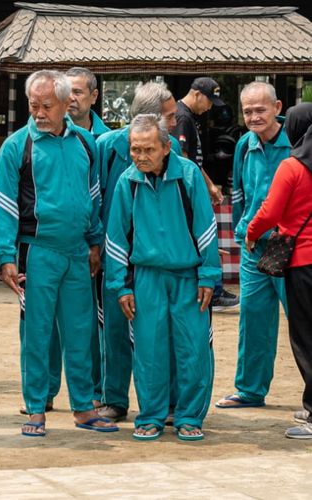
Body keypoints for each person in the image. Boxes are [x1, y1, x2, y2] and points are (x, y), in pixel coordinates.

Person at [0, 69, 117, 437]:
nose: (40, 113)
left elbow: (93, 197)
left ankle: (83, 407)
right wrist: (5, 257)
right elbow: (4, 206)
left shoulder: (85, 143)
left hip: (77, 252)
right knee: (36, 332)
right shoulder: (17, 146)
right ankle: (35, 408)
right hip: (37, 252)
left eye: (47, 105)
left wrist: (95, 242)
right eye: (34, 106)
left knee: (81, 331)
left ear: (68, 104)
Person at [106, 113, 220, 441]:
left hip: (188, 278)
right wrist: (120, 285)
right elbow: (116, 238)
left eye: (148, 150)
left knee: (193, 349)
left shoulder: (188, 177)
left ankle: (188, 416)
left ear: (166, 147)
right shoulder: (127, 181)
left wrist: (208, 276)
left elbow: (206, 229)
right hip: (146, 278)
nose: (141, 157)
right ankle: (152, 416)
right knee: (149, 350)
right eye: (135, 149)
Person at [94, 81, 181, 423]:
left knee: (164, 332)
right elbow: (94, 197)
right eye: (170, 116)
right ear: (152, 117)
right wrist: (97, 245)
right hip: (116, 253)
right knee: (114, 329)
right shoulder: (105, 147)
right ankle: (114, 398)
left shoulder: (170, 148)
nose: (175, 122)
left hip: (157, 258)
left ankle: (169, 402)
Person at [215, 82, 290, 410]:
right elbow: (240, 191)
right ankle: (250, 390)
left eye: (261, 109)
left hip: (291, 245)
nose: (254, 117)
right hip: (254, 245)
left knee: (303, 322)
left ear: (277, 107)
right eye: (248, 111)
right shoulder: (245, 144)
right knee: (253, 319)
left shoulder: (298, 142)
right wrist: (242, 229)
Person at [245, 103, 312, 438]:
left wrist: (251, 233)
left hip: (303, 263)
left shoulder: (293, 166)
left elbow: (270, 212)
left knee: (306, 338)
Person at [173, 77, 239, 311]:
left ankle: (215, 287)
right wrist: (204, 187)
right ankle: (215, 289)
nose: (210, 107)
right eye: (209, 101)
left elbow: (194, 160)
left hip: (196, 185)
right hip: (188, 189)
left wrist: (209, 185)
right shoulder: (181, 117)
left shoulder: (190, 117)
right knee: (204, 234)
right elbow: (183, 159)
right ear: (197, 94)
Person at [65, 67, 110, 139]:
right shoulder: (47, 135)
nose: (70, 98)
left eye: (77, 92)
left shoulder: (107, 139)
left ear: (94, 96)